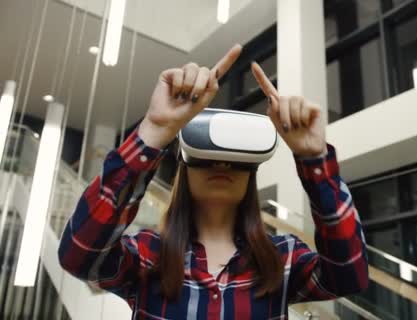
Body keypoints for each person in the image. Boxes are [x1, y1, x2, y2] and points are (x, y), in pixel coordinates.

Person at [57, 44, 368, 319]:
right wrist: (154, 130)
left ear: (251, 172)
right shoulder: (146, 256)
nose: (221, 164)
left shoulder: (282, 259)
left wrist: (314, 160)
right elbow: (78, 257)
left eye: (236, 159)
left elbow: (349, 276)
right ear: (184, 167)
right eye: (206, 154)